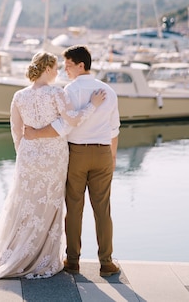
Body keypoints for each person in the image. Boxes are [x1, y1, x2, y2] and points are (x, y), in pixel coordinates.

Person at [0, 51, 106, 288]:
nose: (57, 73)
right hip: (53, 156)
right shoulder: (56, 92)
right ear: (46, 69)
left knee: (25, 203)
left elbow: (16, 131)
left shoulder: (19, 96)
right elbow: (72, 120)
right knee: (49, 204)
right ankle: (43, 258)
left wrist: (24, 153)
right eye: (55, 68)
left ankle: (16, 252)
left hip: (28, 155)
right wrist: (93, 105)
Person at [25, 45, 121, 277]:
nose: (65, 70)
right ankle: (106, 262)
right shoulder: (107, 91)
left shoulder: (68, 91)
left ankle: (72, 261)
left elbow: (63, 125)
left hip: (76, 154)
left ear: (81, 65)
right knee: (103, 210)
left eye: (68, 65)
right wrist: (112, 157)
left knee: (74, 208)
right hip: (103, 153)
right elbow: (114, 129)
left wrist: (36, 134)